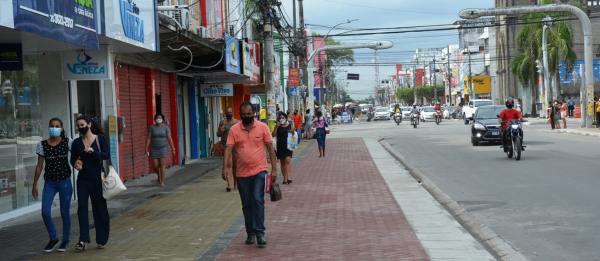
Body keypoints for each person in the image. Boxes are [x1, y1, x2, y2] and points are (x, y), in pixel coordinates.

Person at [223, 102, 277, 247]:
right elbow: (228, 149)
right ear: (239, 114)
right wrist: (225, 168)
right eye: (244, 115)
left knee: (257, 200)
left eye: (249, 114)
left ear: (254, 113)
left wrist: (274, 169)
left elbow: (271, 149)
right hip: (242, 174)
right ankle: (250, 233)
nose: (247, 117)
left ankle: (260, 234)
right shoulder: (234, 129)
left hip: (260, 170)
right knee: (247, 205)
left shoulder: (263, 127)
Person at [33, 118, 73, 252]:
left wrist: (80, 162)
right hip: (50, 183)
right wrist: (34, 185)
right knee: (45, 212)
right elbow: (39, 166)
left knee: (64, 213)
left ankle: (65, 240)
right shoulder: (42, 145)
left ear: (61, 129)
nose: (54, 128)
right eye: (52, 126)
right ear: (48, 128)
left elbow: (77, 156)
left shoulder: (68, 142)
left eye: (57, 126)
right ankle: (53, 238)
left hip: (65, 182)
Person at [71, 115, 110, 250]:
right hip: (83, 179)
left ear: (89, 125)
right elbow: (73, 159)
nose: (80, 128)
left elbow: (106, 154)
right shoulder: (76, 142)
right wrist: (77, 163)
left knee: (99, 207)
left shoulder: (100, 139)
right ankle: (83, 239)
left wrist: (94, 152)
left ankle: (101, 239)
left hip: (98, 178)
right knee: (82, 207)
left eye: (82, 125)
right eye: (78, 126)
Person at [145, 114, 176, 187]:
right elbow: (149, 138)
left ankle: (162, 181)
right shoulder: (152, 128)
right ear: (155, 119)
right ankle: (159, 175)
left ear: (162, 119)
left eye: (160, 118)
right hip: (154, 148)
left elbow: (169, 139)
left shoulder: (166, 128)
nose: (158, 119)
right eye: (157, 118)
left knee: (162, 165)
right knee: (155, 166)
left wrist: (173, 149)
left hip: (163, 148)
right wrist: (146, 148)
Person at [217, 107, 240, 192]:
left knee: (235, 166)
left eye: (230, 112)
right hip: (226, 145)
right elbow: (218, 134)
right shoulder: (222, 123)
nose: (229, 114)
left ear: (233, 112)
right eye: (227, 112)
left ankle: (236, 184)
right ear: (225, 113)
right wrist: (221, 131)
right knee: (229, 165)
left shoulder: (237, 122)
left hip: (236, 145)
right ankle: (229, 184)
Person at [272, 112, 294, 184]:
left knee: (287, 160)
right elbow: (273, 135)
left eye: (283, 118)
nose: (282, 119)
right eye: (280, 118)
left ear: (286, 118)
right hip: (280, 146)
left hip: (289, 146)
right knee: (282, 162)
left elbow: (293, 135)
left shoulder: (290, 126)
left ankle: (289, 177)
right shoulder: (278, 126)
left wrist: (293, 132)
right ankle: (284, 177)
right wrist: (276, 126)